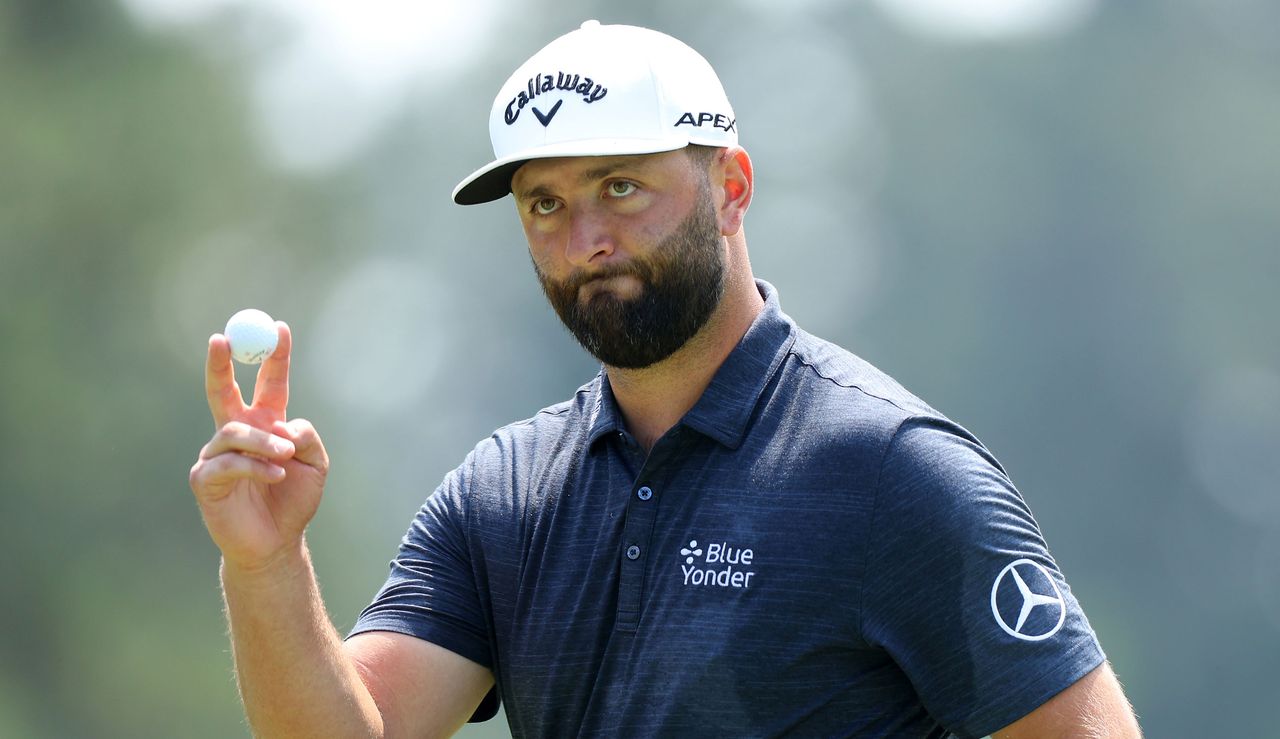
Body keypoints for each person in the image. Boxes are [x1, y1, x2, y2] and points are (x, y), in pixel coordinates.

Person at [189, 20, 1142, 738]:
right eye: (545, 205)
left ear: (730, 186)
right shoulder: (503, 496)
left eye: (621, 187)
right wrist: (267, 565)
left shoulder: (891, 474)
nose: (585, 241)